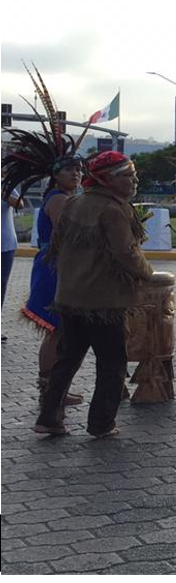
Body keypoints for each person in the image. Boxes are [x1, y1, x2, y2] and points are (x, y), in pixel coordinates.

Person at [34, 151, 153, 437]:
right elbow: (126, 253)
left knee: (68, 359)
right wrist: (148, 274)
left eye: (133, 174)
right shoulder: (114, 209)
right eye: (126, 175)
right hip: (103, 301)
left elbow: (57, 247)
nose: (134, 180)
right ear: (107, 180)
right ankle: (101, 423)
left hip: (70, 297)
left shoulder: (74, 202)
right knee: (112, 362)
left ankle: (49, 418)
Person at [1, 66, 88, 403]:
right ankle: (49, 388)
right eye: (70, 169)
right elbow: (74, 235)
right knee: (56, 330)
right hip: (56, 270)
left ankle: (55, 387)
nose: (76, 174)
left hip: (59, 267)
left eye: (79, 169)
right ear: (56, 174)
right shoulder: (59, 200)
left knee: (63, 331)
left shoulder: (65, 197)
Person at [1, 189, 21, 343]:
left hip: (5, 244)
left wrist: (5, 194)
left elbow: (20, 204)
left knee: (1, 285)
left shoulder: (6, 185)